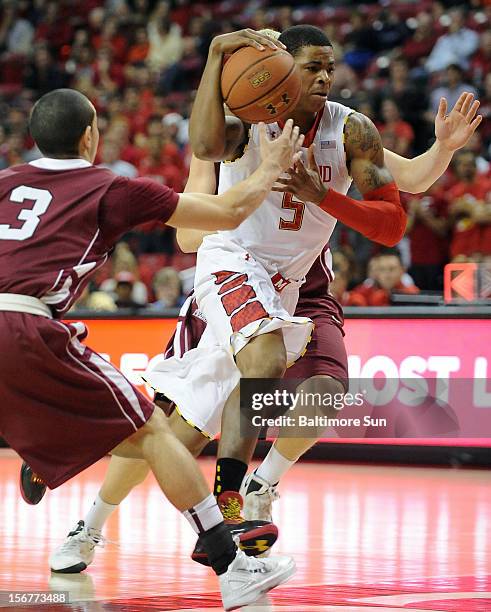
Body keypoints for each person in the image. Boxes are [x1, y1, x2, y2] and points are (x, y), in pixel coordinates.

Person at [25, 29, 482, 569]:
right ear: (278, 69)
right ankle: (92, 522)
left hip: (304, 285)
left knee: (325, 394)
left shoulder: (348, 127)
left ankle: (253, 492)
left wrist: (441, 150)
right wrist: (216, 61)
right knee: (178, 433)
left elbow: (405, 191)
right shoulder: (241, 124)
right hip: (234, 270)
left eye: (328, 68)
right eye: (310, 67)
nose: (323, 77)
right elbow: (194, 202)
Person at [1, 86, 304, 610]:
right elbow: (228, 210)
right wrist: (271, 163)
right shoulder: (110, 187)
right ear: (91, 137)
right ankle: (232, 567)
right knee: (154, 431)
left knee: (155, 431)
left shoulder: (3, 181)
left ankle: (47, 449)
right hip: (26, 324)